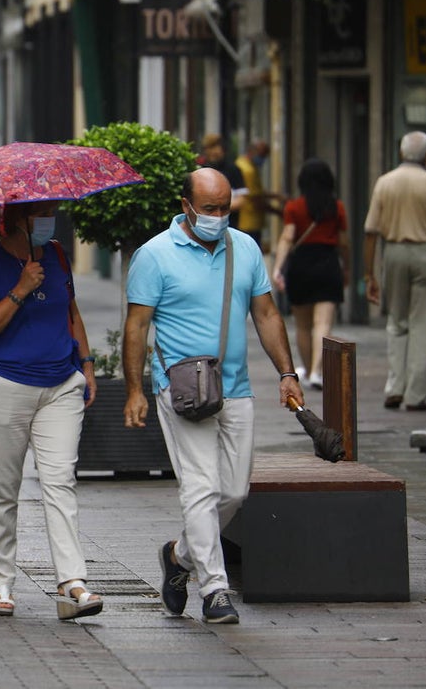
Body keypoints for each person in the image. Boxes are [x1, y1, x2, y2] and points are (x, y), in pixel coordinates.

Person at [122, 167, 303, 625]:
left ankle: (179, 556)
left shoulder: (244, 248)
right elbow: (136, 326)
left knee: (235, 491)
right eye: (209, 209)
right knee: (200, 488)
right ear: (186, 206)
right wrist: (134, 390)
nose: (218, 217)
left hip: (236, 387)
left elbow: (265, 314)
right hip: (180, 388)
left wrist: (287, 372)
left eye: (225, 208)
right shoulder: (155, 255)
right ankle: (216, 590)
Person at [0, 200, 102, 620]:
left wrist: (88, 365)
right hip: (2, 386)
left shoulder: (58, 254)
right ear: (18, 219)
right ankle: (0, 584)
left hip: (60, 384)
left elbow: (70, 312)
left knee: (60, 481)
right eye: (43, 211)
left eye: (54, 210)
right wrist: (20, 289)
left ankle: (71, 583)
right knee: (2, 490)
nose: (51, 219)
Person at [363, 132, 426, 411]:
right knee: (423, 323)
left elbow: (370, 233)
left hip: (394, 252)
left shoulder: (385, 182)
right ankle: (416, 395)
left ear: (401, 154)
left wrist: (369, 274)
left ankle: (394, 386)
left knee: (397, 321)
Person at [271, 158, 350, 390]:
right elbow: (344, 243)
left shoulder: (294, 207)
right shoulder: (337, 207)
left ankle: (308, 371)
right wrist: (347, 267)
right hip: (327, 263)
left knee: (303, 325)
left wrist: (278, 268)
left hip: (301, 265)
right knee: (323, 323)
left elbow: (287, 237)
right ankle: (317, 371)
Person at [234, 140, 282, 246]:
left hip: (247, 222)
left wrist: (276, 196)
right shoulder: (248, 170)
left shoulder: (242, 163)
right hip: (249, 222)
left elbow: (256, 191)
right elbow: (256, 199)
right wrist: (279, 212)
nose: (262, 159)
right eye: (261, 155)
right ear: (252, 152)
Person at [200, 133, 248, 230]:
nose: (214, 152)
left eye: (217, 148)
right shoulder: (200, 170)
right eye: (210, 148)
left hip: (229, 225)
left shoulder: (233, 170)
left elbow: (242, 199)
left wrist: (217, 208)